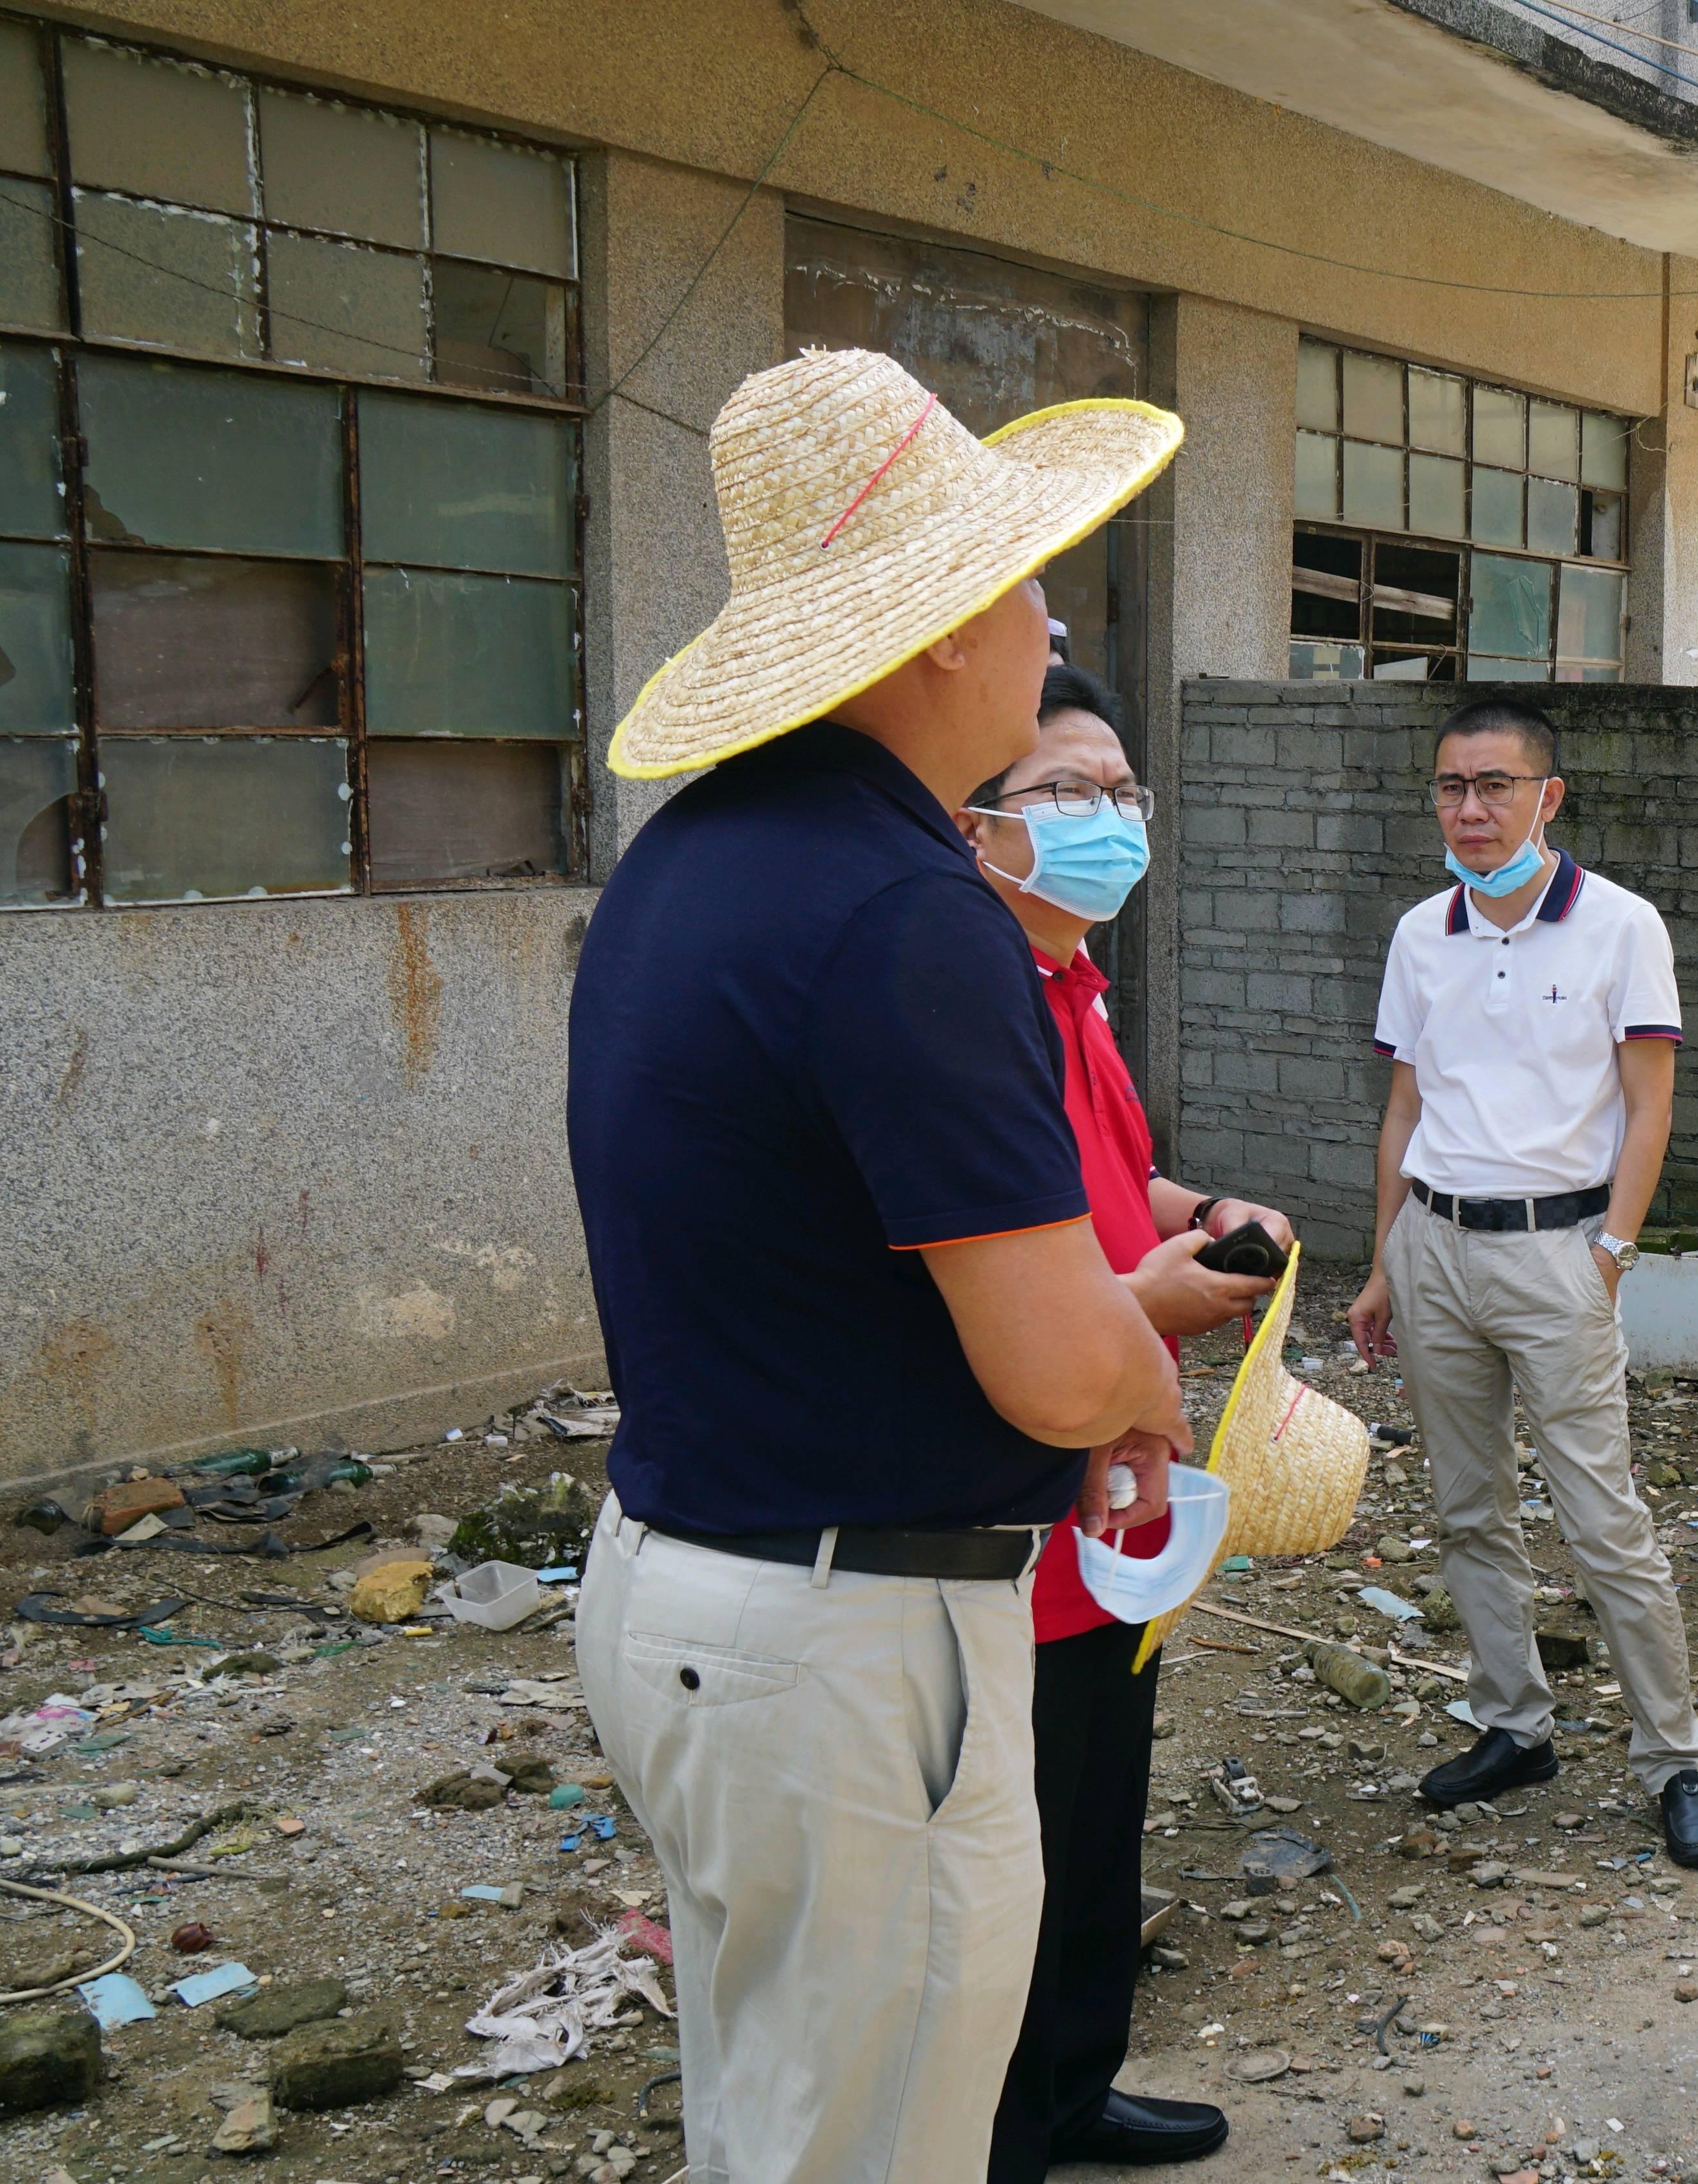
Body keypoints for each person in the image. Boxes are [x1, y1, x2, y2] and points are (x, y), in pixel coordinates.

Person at [567, 350, 1193, 2181]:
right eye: (1024, 588)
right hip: (841, 1640)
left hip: (701, 1587)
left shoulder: (698, 860)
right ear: (935, 640)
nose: (1046, 625)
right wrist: (1144, 1385)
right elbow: (1063, 1371)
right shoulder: (910, 914)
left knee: (779, 2119)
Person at [962, 663, 1288, 2178]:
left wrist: (1204, 1212)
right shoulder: (960, 1010)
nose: (1107, 822)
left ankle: (1077, 2085)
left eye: (1121, 795)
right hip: (1010, 1503)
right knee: (1004, 1849)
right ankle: (1000, 2129)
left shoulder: (1077, 989)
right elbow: (999, 1288)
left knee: (1099, 1817)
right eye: (1066, 795)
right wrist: (1144, 1302)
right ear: (978, 826)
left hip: (1117, 1499)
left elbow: (1119, 1184)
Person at [1345, 699, 1698, 1868]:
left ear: (1547, 797)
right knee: (1468, 1509)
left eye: (1495, 785)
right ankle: (1514, 1723)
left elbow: (1651, 1102)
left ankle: (1676, 1757)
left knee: (1602, 1517)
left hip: (1558, 1251)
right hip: (1436, 1245)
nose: (1471, 809)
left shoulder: (1621, 927)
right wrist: (1382, 1261)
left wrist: (1612, 1249)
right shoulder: (1422, 934)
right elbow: (1405, 1106)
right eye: (1452, 787)